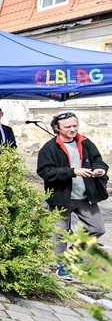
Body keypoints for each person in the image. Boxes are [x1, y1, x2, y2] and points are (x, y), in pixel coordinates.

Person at [36, 112, 108, 279]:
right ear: (57, 128)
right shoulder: (49, 147)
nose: (73, 129)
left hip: (85, 196)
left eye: (75, 125)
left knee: (97, 228)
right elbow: (45, 171)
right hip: (61, 197)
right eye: (68, 126)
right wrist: (73, 171)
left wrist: (100, 169)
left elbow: (98, 160)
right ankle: (61, 265)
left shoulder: (85, 142)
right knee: (60, 233)